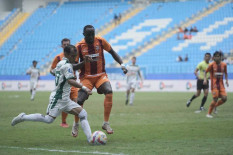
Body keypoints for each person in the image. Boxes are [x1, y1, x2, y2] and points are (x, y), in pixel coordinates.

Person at [11, 45, 93, 143]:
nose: (74, 58)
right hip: (58, 98)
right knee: (48, 119)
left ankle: (90, 139)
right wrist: (84, 88)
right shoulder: (67, 65)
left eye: (75, 56)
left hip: (65, 99)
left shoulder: (61, 63)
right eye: (72, 56)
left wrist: (83, 62)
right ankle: (23, 117)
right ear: (66, 54)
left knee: (83, 114)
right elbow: (71, 80)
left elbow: (68, 68)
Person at [75, 25, 127, 134]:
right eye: (88, 35)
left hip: (100, 76)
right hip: (86, 78)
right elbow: (75, 66)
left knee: (109, 91)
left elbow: (112, 52)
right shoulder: (79, 47)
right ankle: (76, 124)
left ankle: (106, 123)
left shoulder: (100, 41)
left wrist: (122, 64)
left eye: (92, 34)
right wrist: (84, 62)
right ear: (84, 34)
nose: (91, 37)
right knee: (79, 100)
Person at [50, 38, 79, 138]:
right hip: (64, 84)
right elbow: (52, 70)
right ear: (62, 46)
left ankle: (75, 125)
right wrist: (59, 75)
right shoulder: (58, 57)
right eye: (64, 44)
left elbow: (76, 66)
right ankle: (63, 121)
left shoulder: (74, 55)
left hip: (73, 84)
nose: (66, 45)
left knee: (76, 103)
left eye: (68, 44)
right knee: (64, 102)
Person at [204, 51, 229, 118]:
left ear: (220, 57)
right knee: (215, 99)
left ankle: (215, 106)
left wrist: (226, 81)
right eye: (216, 56)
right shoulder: (211, 65)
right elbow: (205, 72)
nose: (217, 58)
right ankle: (208, 114)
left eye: (219, 56)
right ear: (214, 57)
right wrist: (205, 79)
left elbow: (226, 73)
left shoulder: (224, 65)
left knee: (224, 98)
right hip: (214, 85)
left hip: (221, 85)